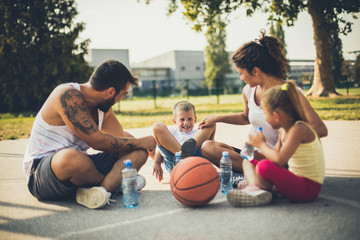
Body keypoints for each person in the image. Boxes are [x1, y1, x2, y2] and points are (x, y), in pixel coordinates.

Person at [23, 60, 156, 209]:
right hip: (42, 174)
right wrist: (140, 142)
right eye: (123, 94)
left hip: (82, 171)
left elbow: (121, 141)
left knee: (138, 152)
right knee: (70, 157)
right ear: (110, 91)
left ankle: (99, 192)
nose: (122, 99)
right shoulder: (68, 95)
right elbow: (97, 141)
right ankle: (112, 186)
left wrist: (144, 147)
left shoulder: (103, 110)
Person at [199, 30, 327, 175]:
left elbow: (320, 128)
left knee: (256, 162)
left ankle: (258, 175)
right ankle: (255, 173)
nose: (240, 78)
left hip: (279, 158)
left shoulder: (289, 93)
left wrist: (288, 137)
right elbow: (246, 118)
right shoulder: (248, 91)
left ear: (255, 71)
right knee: (208, 147)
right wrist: (217, 119)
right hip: (254, 154)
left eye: (241, 73)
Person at [227, 82, 325, 206]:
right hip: (296, 182)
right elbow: (275, 158)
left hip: (308, 188)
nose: (265, 119)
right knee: (248, 159)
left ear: (276, 116)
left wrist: (261, 144)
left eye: (266, 114)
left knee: (264, 166)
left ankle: (255, 188)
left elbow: (279, 160)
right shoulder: (284, 130)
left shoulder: (299, 129)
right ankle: (258, 187)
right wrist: (256, 153)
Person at [152, 101, 215, 181]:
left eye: (190, 119)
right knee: (157, 126)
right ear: (175, 121)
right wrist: (156, 162)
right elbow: (159, 149)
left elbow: (210, 145)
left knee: (210, 121)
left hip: (196, 159)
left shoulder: (199, 132)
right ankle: (183, 155)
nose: (186, 122)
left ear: (195, 120)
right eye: (182, 119)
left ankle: (187, 154)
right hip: (176, 161)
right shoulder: (172, 132)